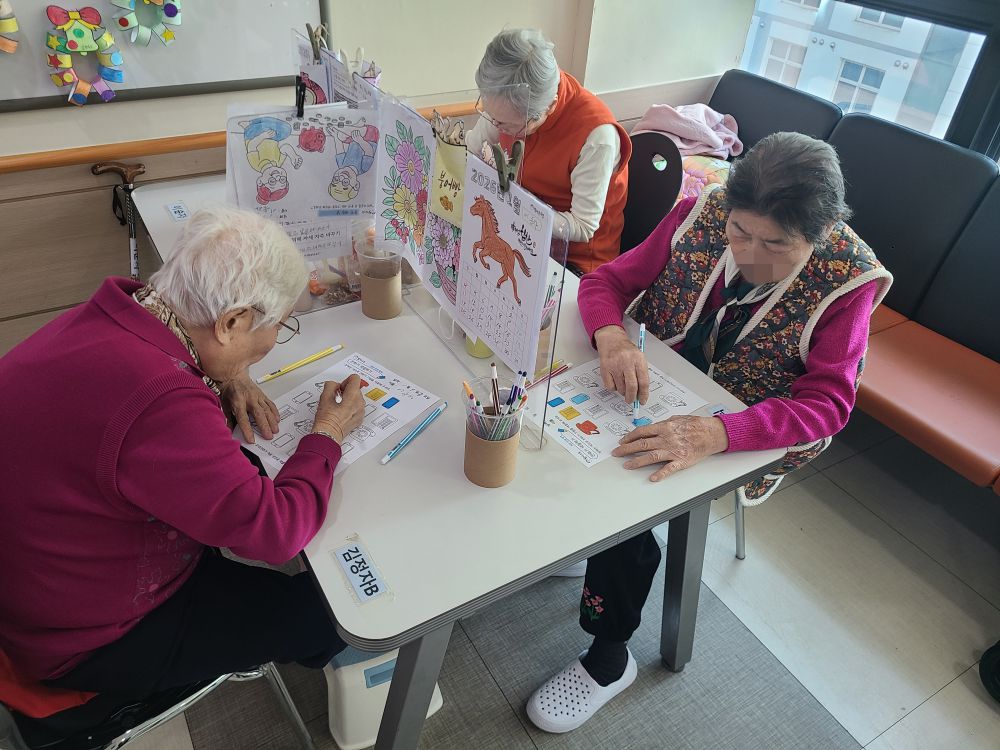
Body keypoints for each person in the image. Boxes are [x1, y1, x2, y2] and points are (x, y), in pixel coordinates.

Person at [525, 132, 893, 733]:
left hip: (744, 424)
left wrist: (716, 434)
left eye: (776, 244)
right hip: (658, 382)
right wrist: (612, 336)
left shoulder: (847, 281)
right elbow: (605, 283)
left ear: (822, 233)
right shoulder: (701, 211)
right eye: (741, 232)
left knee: (625, 510)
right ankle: (578, 543)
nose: (750, 256)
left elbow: (828, 404)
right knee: (553, 425)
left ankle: (610, 657)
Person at [0, 206, 364, 730]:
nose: (273, 341)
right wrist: (326, 433)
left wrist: (226, 372)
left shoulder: (114, 312)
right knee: (332, 615)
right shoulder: (158, 400)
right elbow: (276, 533)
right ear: (232, 322)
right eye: (279, 326)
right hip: (81, 637)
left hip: (40, 571)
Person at [466, 28, 632, 274]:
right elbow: (471, 151)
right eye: (491, 115)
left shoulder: (596, 137)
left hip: (574, 262)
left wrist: (517, 209)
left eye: (509, 125)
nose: (496, 126)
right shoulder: (510, 104)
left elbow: (583, 227)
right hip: (517, 235)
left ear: (549, 108)